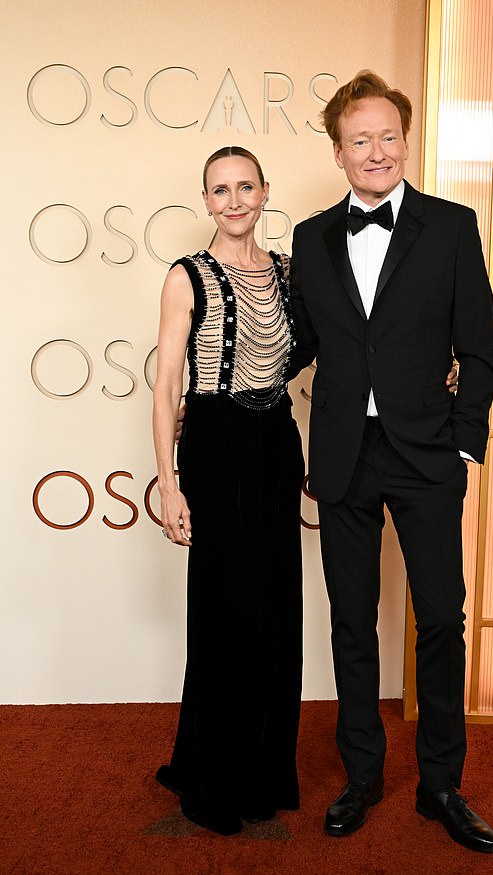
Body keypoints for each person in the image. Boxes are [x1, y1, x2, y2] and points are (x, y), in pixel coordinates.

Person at [289, 71, 493, 852]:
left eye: (387, 136)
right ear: (337, 150)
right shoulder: (311, 238)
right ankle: (362, 775)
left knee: (442, 617)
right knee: (352, 622)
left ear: (404, 141)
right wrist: (219, 385)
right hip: (345, 452)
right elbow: (302, 343)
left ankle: (442, 783)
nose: (375, 150)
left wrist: (463, 438)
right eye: (358, 140)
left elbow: (478, 351)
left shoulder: (451, 226)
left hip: (426, 452)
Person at [152, 146, 305, 835]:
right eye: (221, 189)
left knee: (273, 607)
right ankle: (211, 774)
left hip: (276, 440)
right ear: (206, 200)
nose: (235, 199)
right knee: (222, 609)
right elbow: (165, 389)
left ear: (265, 192)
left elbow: (346, 342)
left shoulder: (289, 274)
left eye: (246, 186)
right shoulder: (187, 276)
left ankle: (263, 771)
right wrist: (169, 481)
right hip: (214, 443)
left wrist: (439, 368)